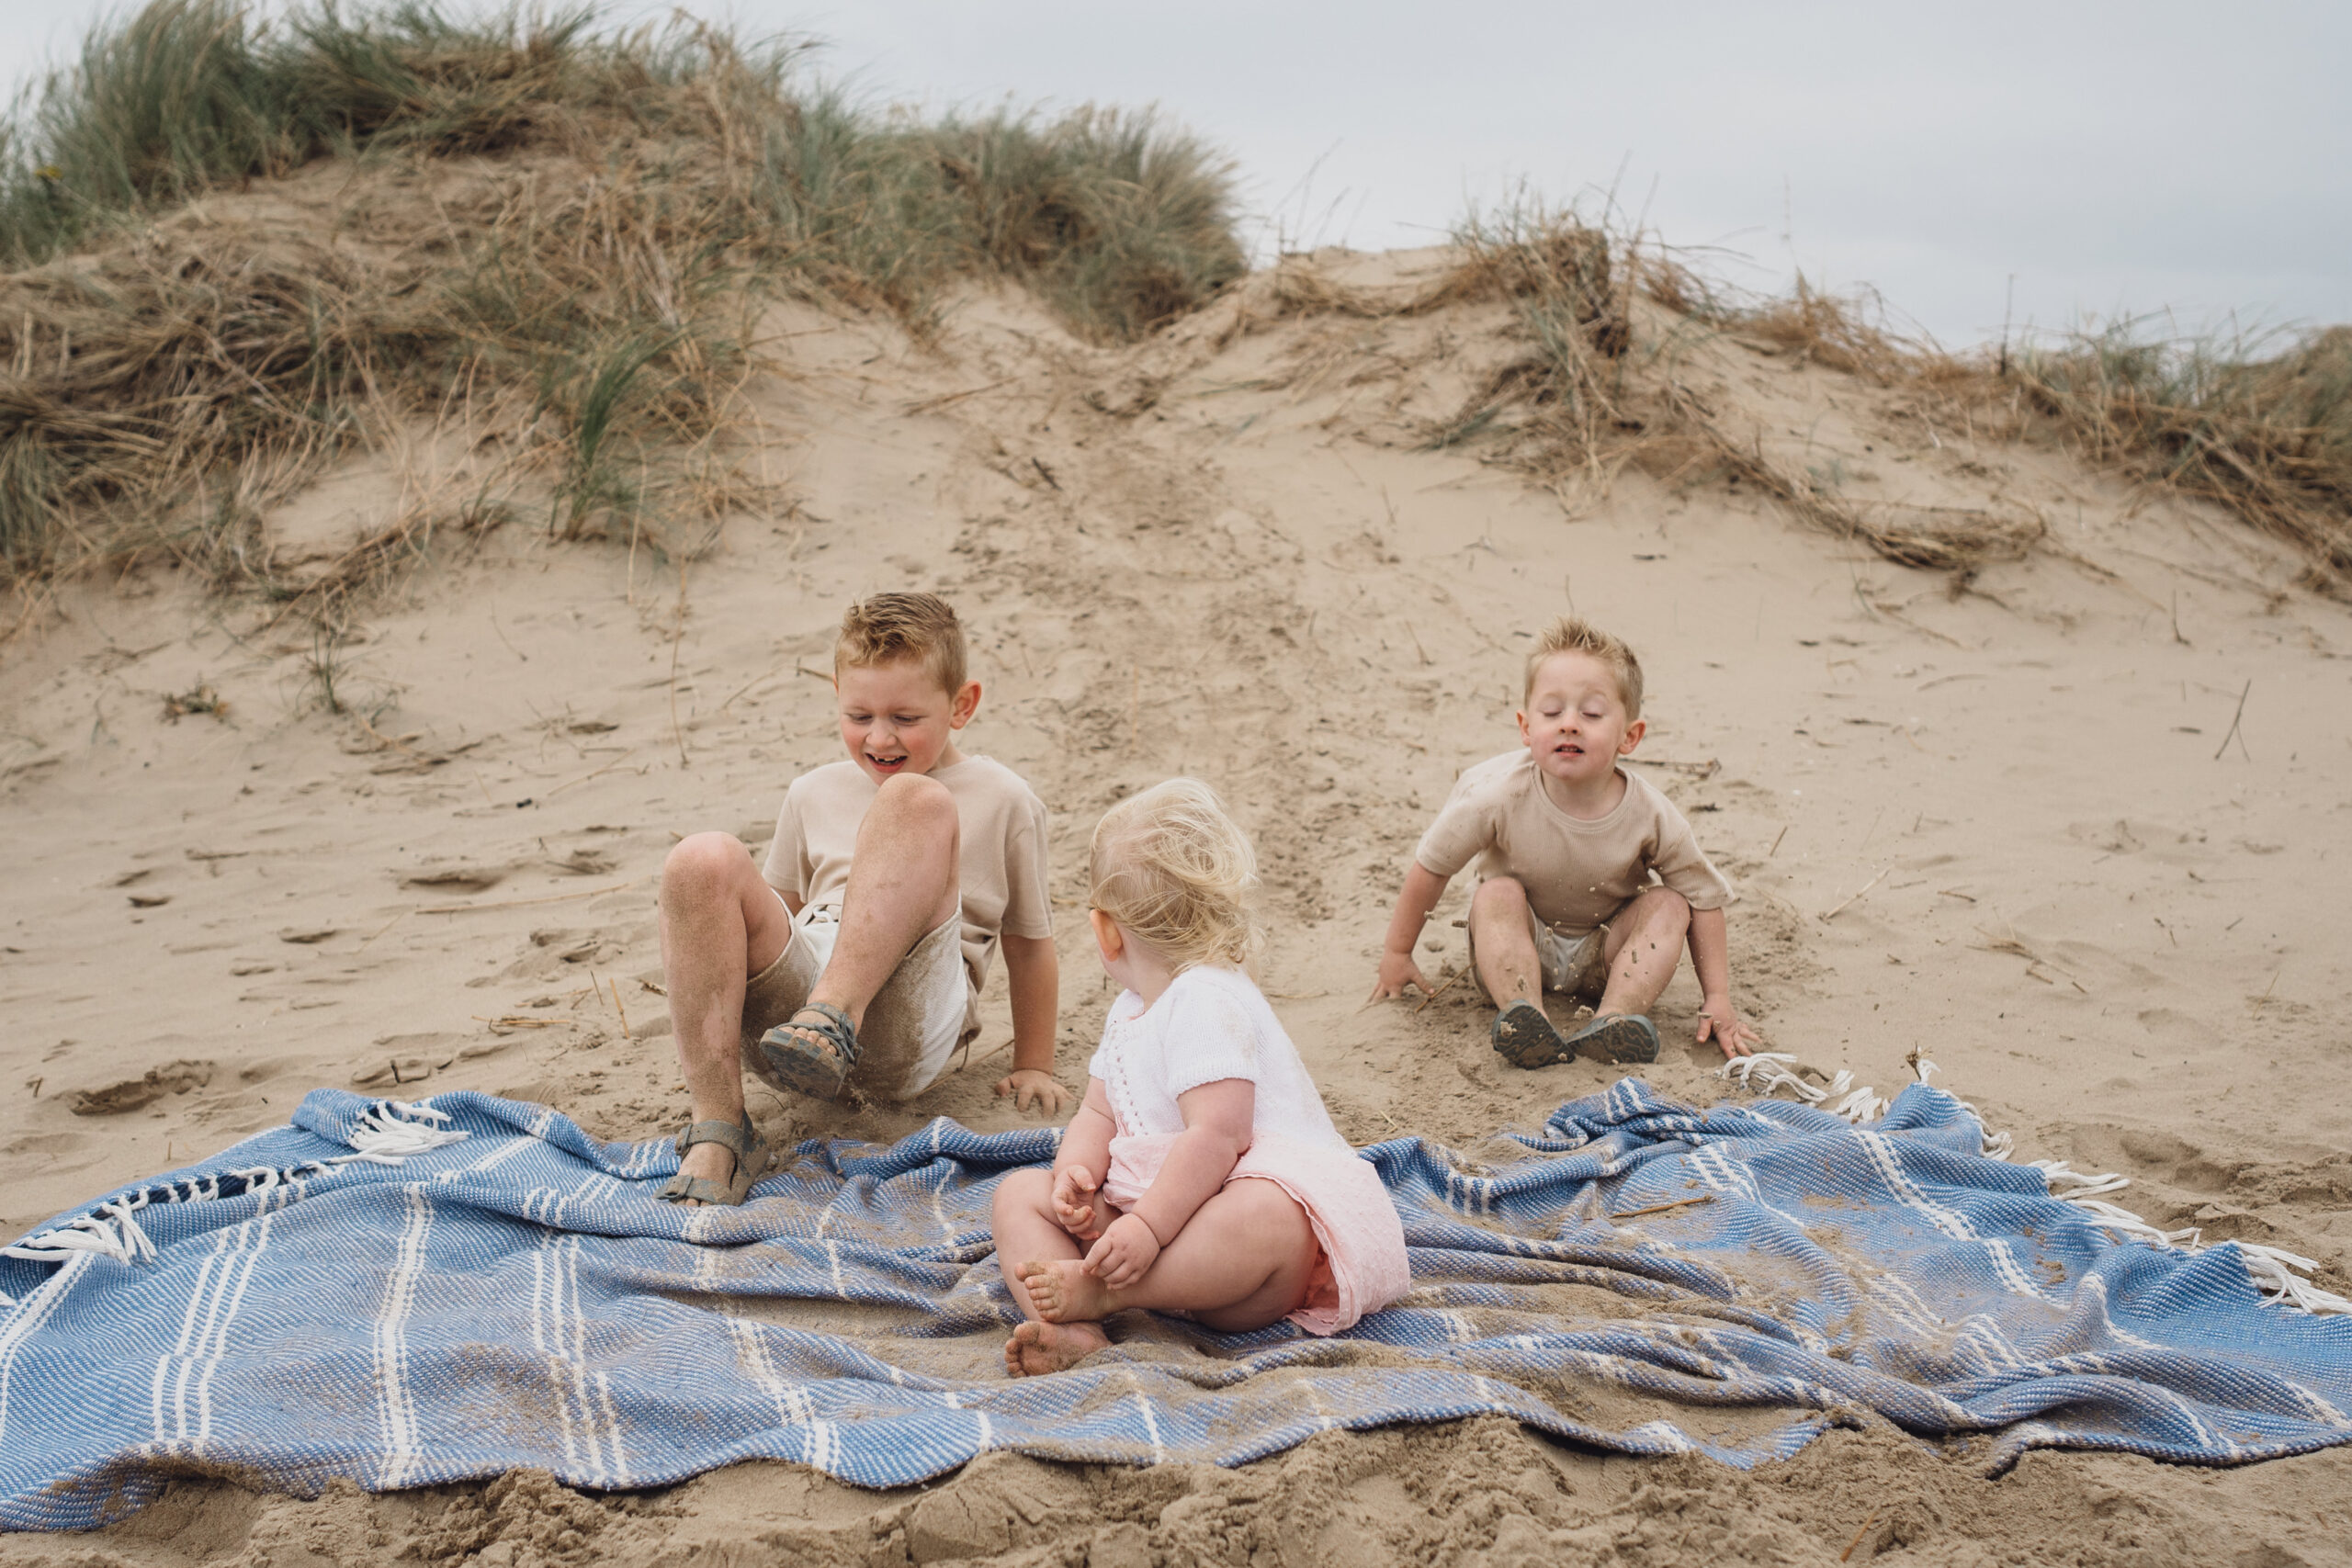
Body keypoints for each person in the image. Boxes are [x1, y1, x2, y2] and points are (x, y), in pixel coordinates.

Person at [654, 592, 1068, 1206]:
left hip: (908, 1016)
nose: (879, 737)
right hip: (798, 1016)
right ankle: (720, 1129)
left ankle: (835, 1014)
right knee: (699, 858)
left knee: (913, 800)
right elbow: (777, 922)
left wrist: (1035, 1061)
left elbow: (1029, 944)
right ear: (836, 693)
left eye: (904, 717)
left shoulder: (1002, 798)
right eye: (859, 714)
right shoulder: (811, 792)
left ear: (962, 705)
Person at [993, 779, 1410, 1377]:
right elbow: (1097, 1113)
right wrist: (1075, 1177)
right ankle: (1078, 1332)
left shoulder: (1208, 996)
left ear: (1105, 930)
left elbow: (1219, 1136)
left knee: (1266, 1212)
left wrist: (1146, 1228)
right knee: (1018, 1196)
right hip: (1138, 1232)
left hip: (1229, 1257)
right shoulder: (1129, 1010)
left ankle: (1106, 1295)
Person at [1369, 615, 1760, 1066]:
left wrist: (1718, 996)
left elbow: (1703, 897)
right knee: (1497, 892)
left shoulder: (1650, 813)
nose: (1570, 724)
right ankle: (1524, 1017)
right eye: (1552, 712)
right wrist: (1397, 952)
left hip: (1607, 952)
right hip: (1518, 946)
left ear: (1629, 736)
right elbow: (1432, 867)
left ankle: (1615, 1018)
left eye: (1591, 714)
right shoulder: (1497, 795)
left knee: (1671, 904)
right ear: (1525, 727)